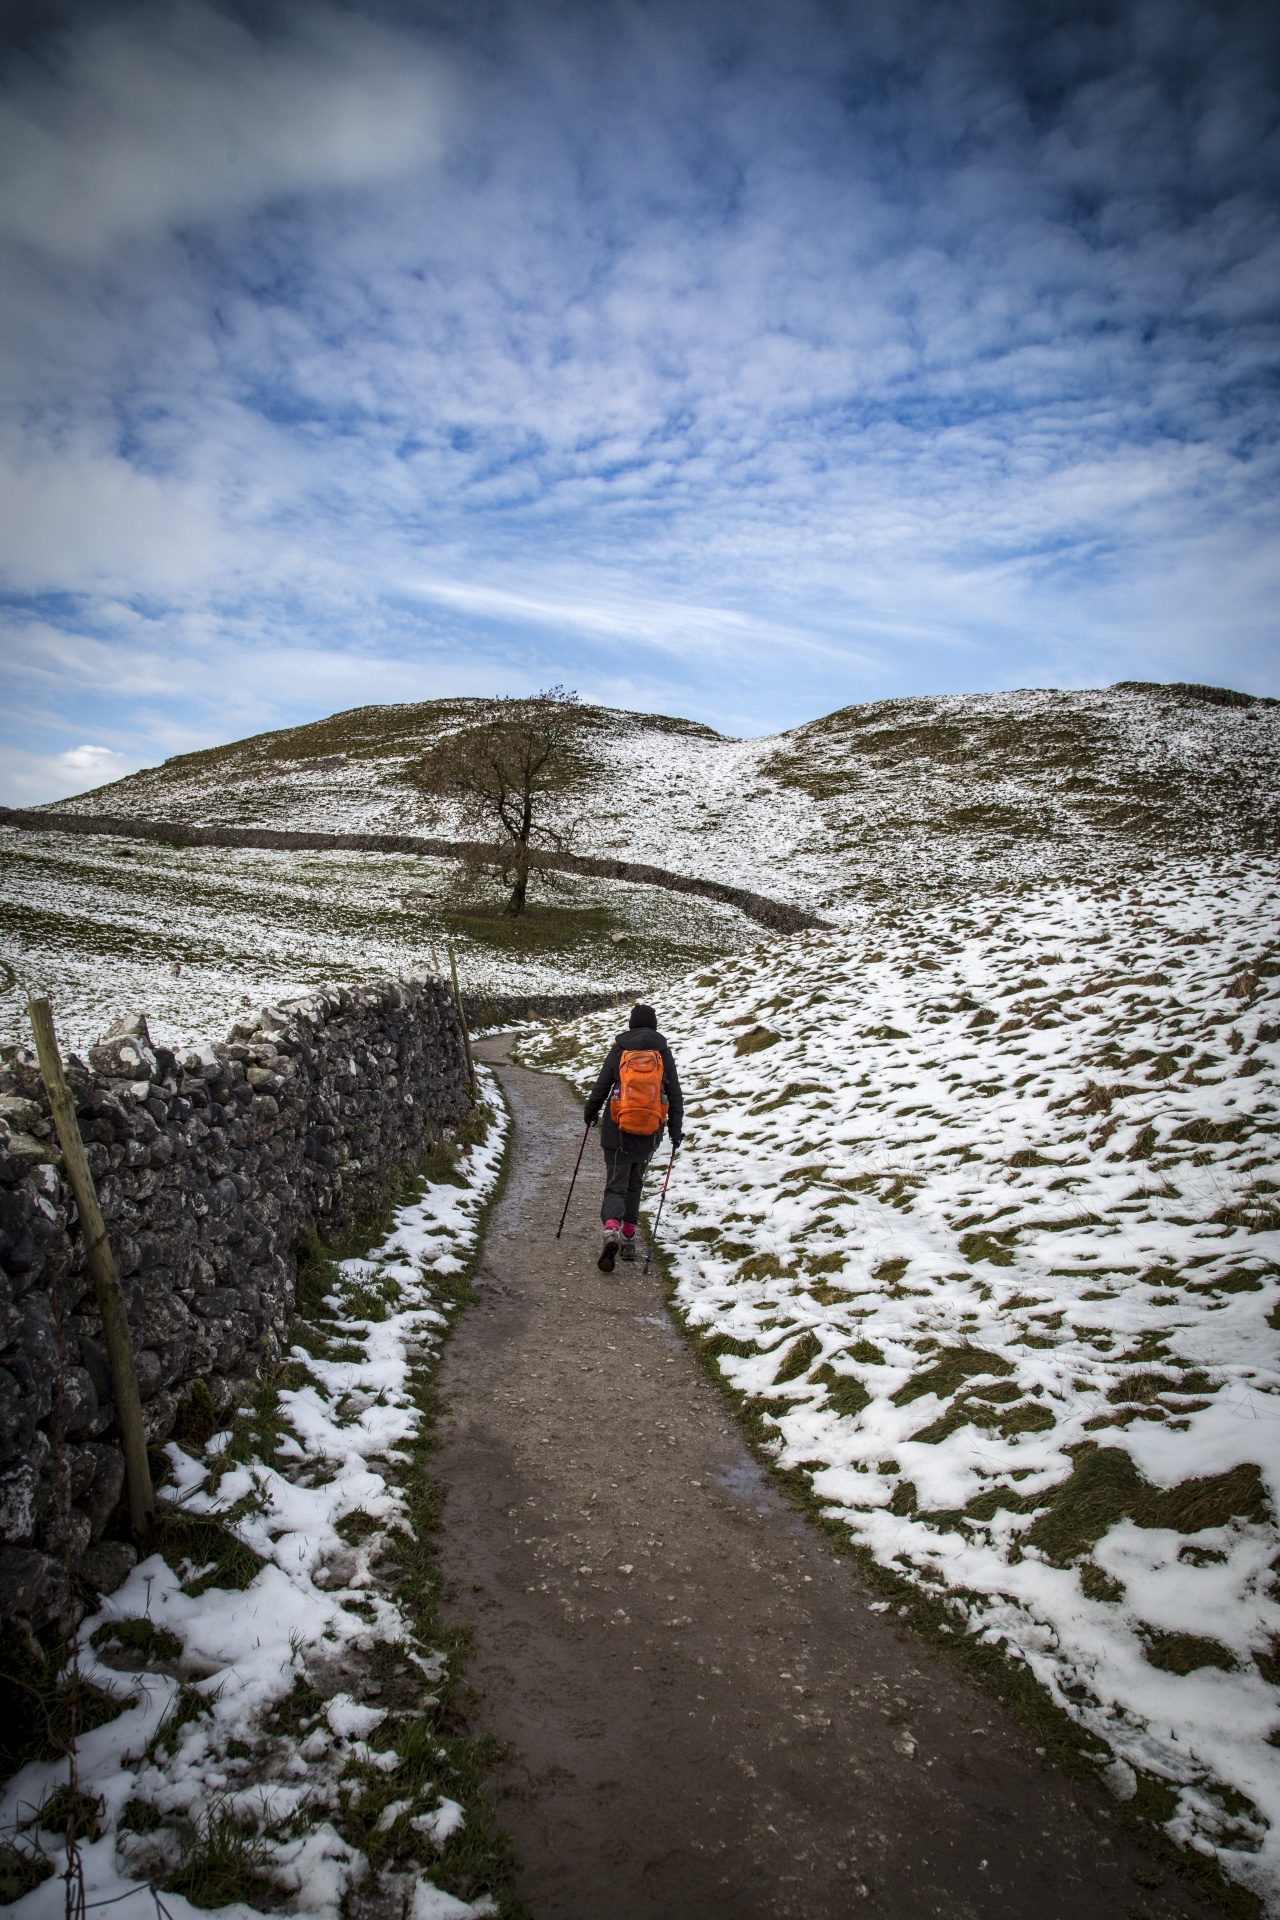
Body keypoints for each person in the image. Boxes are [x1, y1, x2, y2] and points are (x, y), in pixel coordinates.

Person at [584, 1003, 683, 1272]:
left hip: (617, 1128)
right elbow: (673, 1094)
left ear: (631, 1023)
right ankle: (629, 1239)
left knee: (616, 1184)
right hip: (649, 1131)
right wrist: (675, 1130)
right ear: (654, 1024)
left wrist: (590, 1112)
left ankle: (611, 1230)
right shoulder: (662, 1053)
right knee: (634, 1184)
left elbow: (602, 1085)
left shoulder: (620, 1050)